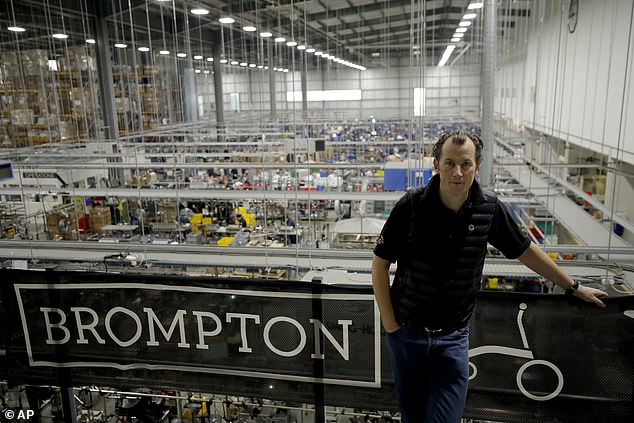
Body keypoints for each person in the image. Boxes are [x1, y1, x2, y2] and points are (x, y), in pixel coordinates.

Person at [371, 130, 607, 423]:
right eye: (449, 163)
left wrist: (573, 287)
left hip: (453, 339)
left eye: (466, 164)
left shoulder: (488, 208)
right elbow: (380, 263)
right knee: (413, 417)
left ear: (476, 165)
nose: (457, 172)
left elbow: (524, 250)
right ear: (436, 164)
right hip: (408, 335)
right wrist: (391, 324)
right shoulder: (411, 205)